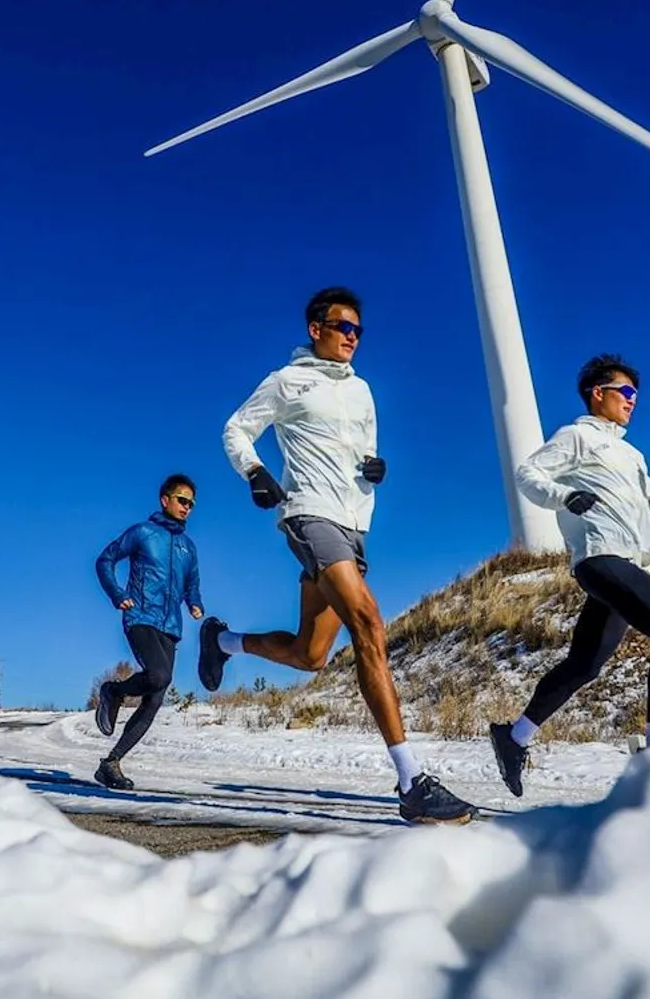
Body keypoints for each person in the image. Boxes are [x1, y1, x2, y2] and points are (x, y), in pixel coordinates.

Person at [199, 286, 475, 825]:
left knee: (311, 656)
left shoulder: (364, 391)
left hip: (354, 525)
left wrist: (376, 466)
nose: (352, 337)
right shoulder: (287, 381)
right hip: (309, 514)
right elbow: (236, 428)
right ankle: (411, 782)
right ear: (315, 328)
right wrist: (254, 472)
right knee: (369, 624)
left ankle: (223, 640)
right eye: (342, 327)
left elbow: (365, 450)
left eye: (358, 330)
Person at [488, 355, 650, 796]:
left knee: (585, 664)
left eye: (636, 395)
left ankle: (514, 737)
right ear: (598, 393)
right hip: (602, 558)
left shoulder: (631, 454)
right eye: (625, 392)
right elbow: (528, 473)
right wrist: (564, 495)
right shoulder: (577, 437)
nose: (632, 401)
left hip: (630, 561)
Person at [89, 474, 204, 790]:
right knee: (157, 675)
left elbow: (191, 582)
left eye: (192, 504)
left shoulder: (187, 547)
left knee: (154, 700)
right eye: (182, 500)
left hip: (170, 627)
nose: (187, 508)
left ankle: (110, 764)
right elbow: (105, 560)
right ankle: (113, 692)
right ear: (165, 499)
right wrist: (116, 594)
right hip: (139, 616)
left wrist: (194, 602)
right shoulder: (142, 533)